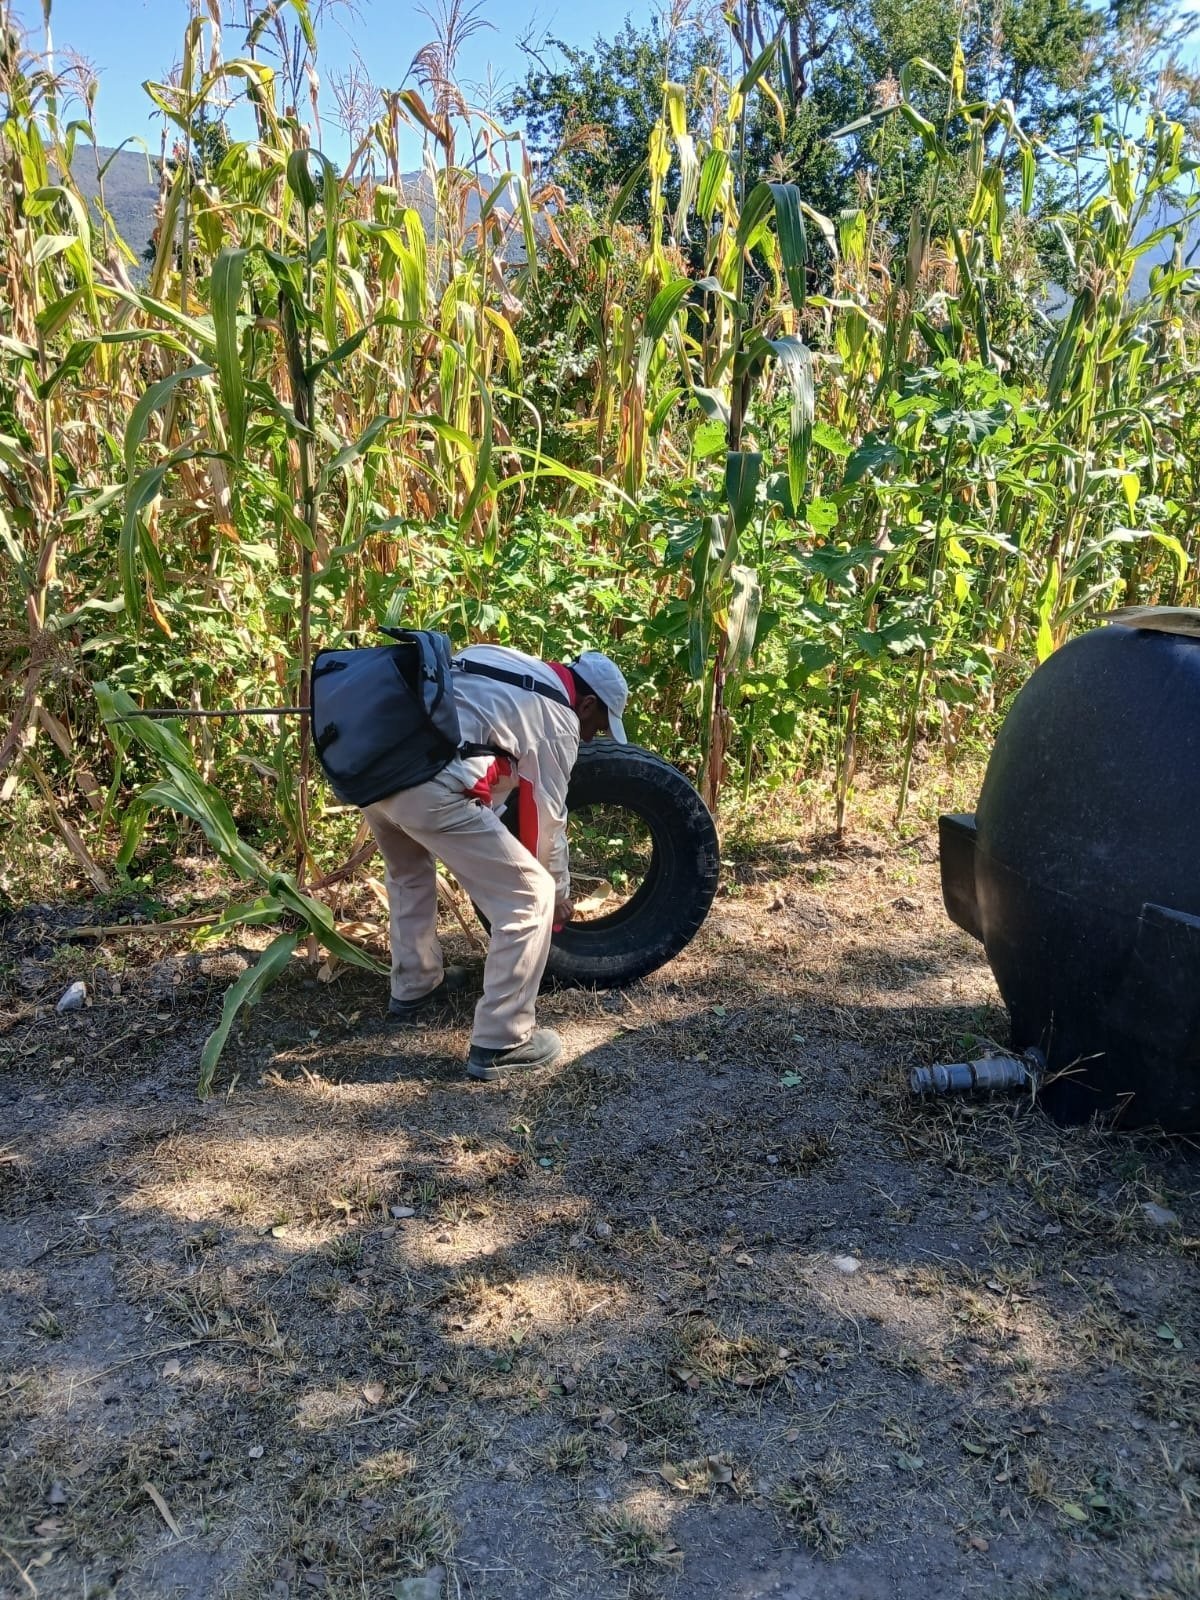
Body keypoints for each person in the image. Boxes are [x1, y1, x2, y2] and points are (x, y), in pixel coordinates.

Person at [361, 645, 630, 1081]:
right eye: (597, 726)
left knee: (409, 873)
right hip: (430, 790)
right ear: (586, 703)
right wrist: (558, 892)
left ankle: (415, 987)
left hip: (379, 771)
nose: (592, 738)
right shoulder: (560, 719)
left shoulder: (501, 658)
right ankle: (503, 1042)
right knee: (530, 898)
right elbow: (548, 820)